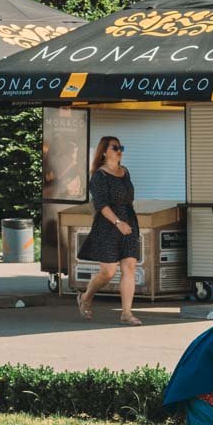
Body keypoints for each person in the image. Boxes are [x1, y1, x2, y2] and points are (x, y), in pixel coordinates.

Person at [76, 136, 142, 324]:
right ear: (104, 152)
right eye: (115, 147)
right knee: (108, 272)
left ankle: (126, 313)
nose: (119, 150)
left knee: (129, 266)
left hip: (129, 222)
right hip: (108, 225)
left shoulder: (125, 172)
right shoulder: (99, 175)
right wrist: (117, 222)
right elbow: (101, 204)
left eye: (121, 147)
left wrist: (125, 222)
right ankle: (86, 297)